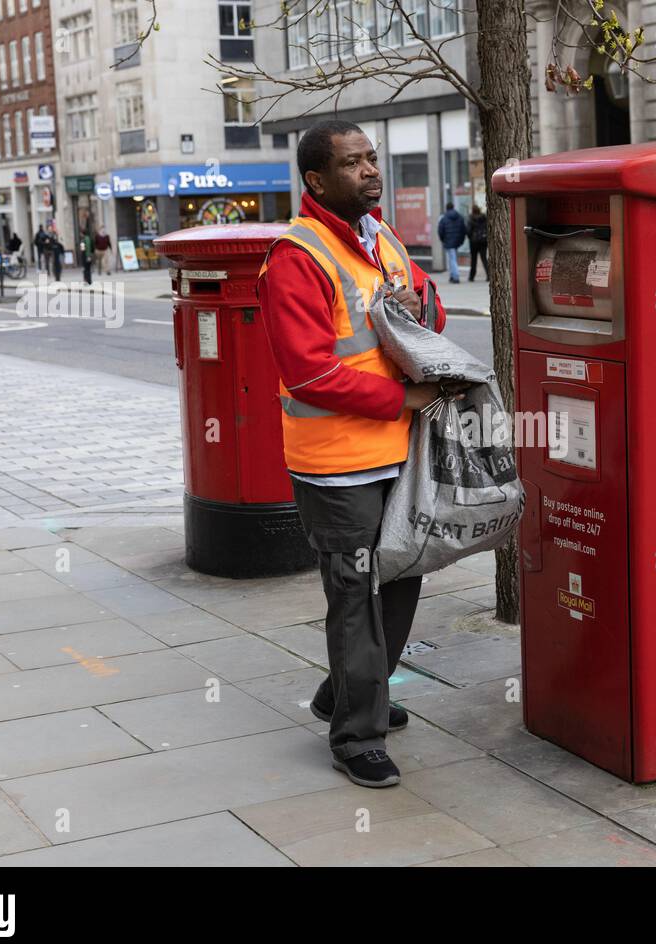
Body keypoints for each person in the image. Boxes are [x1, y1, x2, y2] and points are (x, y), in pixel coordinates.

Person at [257, 119, 448, 789]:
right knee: (357, 595)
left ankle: (348, 690)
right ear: (316, 179)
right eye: (353, 162)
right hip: (337, 460)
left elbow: (433, 308)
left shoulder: (382, 236)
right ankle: (356, 734)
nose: (371, 170)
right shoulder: (296, 257)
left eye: (372, 158)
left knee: (400, 579)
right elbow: (309, 373)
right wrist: (403, 397)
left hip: (397, 452)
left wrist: (418, 302)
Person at [437, 201, 466, 283]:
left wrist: (443, 240)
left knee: (452, 259)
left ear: (447, 208)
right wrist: (461, 240)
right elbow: (463, 230)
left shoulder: (444, 218)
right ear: (453, 207)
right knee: (453, 258)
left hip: (449, 242)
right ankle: (452, 275)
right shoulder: (459, 217)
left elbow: (440, 230)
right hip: (457, 241)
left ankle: (455, 276)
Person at [466, 205, 488, 282]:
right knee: (484, 258)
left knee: (474, 260)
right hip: (483, 241)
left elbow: (468, 231)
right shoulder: (484, 218)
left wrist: (470, 237)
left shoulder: (471, 219)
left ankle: (472, 276)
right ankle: (489, 275)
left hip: (474, 242)